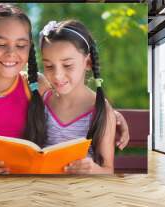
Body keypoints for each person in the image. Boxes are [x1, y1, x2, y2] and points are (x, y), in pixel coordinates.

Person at [0, 4, 129, 175]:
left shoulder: (35, 85)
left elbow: (73, 94)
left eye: (21, 45)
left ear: (30, 48)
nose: (11, 53)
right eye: (1, 44)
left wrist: (113, 115)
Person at [39, 20, 117, 174]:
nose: (57, 75)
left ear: (87, 62)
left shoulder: (100, 111)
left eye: (67, 65)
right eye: (48, 66)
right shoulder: (43, 97)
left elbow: (108, 170)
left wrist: (94, 170)